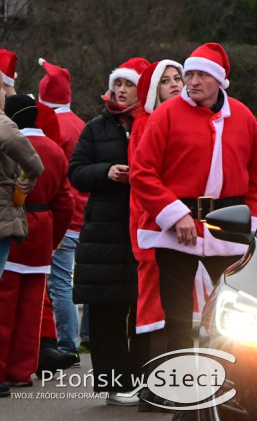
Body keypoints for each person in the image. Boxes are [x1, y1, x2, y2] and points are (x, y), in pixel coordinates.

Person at [131, 43, 257, 365]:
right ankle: (178, 387)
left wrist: (251, 223)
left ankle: (229, 380)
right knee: (177, 316)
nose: (191, 82)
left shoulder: (243, 116)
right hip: (177, 228)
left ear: (219, 81)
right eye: (188, 74)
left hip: (228, 230)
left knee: (231, 313)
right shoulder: (166, 115)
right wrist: (175, 214)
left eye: (200, 76)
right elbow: (143, 171)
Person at [70, 56, 149, 405]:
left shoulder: (152, 123)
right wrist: (107, 172)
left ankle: (142, 379)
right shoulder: (95, 128)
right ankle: (114, 385)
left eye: (127, 85)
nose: (119, 91)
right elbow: (76, 172)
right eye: (116, 84)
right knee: (106, 312)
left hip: (141, 229)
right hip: (103, 233)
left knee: (142, 310)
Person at [0, 96, 73, 391]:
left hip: (16, 227)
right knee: (31, 311)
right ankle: (21, 371)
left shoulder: (10, 142)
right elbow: (65, 203)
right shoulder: (55, 150)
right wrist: (54, 241)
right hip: (44, 232)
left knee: (4, 306)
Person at [126, 59, 183, 410]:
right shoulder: (146, 125)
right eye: (166, 81)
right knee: (156, 310)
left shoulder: (178, 119)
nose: (175, 84)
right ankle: (155, 387)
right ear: (152, 90)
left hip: (179, 230)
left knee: (175, 308)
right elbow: (146, 180)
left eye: (178, 78)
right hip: (154, 227)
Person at [36, 59, 88, 363]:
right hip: (84, 214)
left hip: (64, 216)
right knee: (70, 280)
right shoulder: (81, 123)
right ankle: (75, 341)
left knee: (58, 283)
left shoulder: (52, 126)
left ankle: (67, 344)